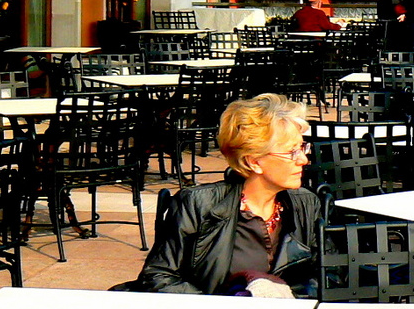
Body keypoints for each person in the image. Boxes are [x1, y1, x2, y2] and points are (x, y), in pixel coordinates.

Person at [130, 93, 322, 297]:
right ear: (253, 162)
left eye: (302, 147)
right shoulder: (199, 204)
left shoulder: (306, 203)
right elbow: (158, 276)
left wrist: (287, 298)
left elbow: (329, 273)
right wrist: (225, 306)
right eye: (291, 152)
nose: (303, 159)